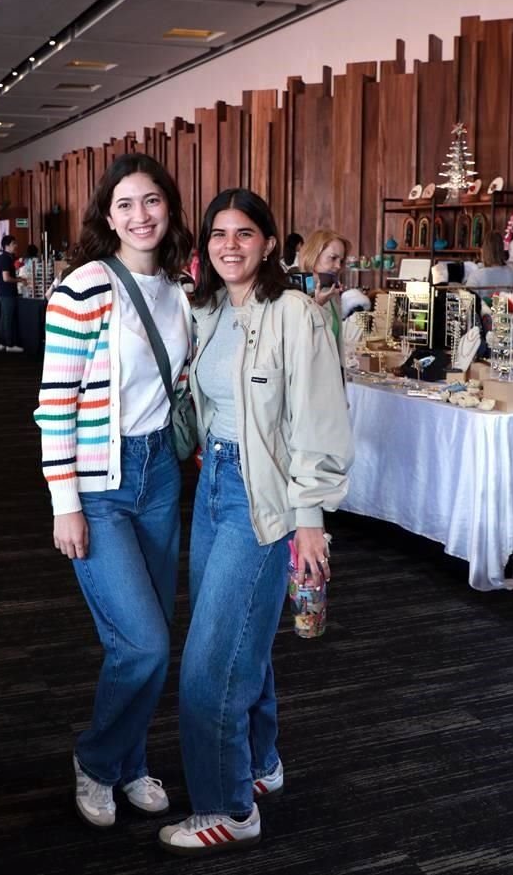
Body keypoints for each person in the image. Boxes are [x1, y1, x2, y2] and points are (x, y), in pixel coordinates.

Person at [158, 189, 353, 856]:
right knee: (244, 638)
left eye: (245, 232)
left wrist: (309, 517)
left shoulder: (295, 313)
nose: (231, 244)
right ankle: (262, 762)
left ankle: (229, 807)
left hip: (264, 497)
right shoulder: (207, 308)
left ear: (271, 242)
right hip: (211, 485)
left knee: (208, 664)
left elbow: (319, 422)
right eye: (219, 233)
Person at [33, 153, 193, 829]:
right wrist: (63, 501)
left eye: (151, 200)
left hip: (159, 473)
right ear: (106, 214)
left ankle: (129, 762)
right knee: (145, 641)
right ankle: (98, 760)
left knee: (142, 636)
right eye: (125, 203)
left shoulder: (181, 286)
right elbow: (55, 402)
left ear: (169, 205)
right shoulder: (85, 287)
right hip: (100, 483)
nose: (140, 215)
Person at [299, 229, 351, 363]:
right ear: (314, 255)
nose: (338, 266)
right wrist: (317, 305)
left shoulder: (330, 292)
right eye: (333, 258)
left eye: (341, 260)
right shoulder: (294, 290)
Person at [465, 230, 513, 298]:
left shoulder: (476, 275)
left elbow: (467, 305)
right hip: (508, 307)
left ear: (483, 250)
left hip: (485, 308)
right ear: (502, 249)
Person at [0, 233, 24, 352]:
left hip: (3, 292)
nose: (16, 246)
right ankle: (9, 345)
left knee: (4, 318)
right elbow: (6, 278)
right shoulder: (6, 258)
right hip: (7, 293)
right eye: (13, 244)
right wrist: (20, 280)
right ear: (6, 246)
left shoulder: (6, 258)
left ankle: (3, 343)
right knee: (8, 318)